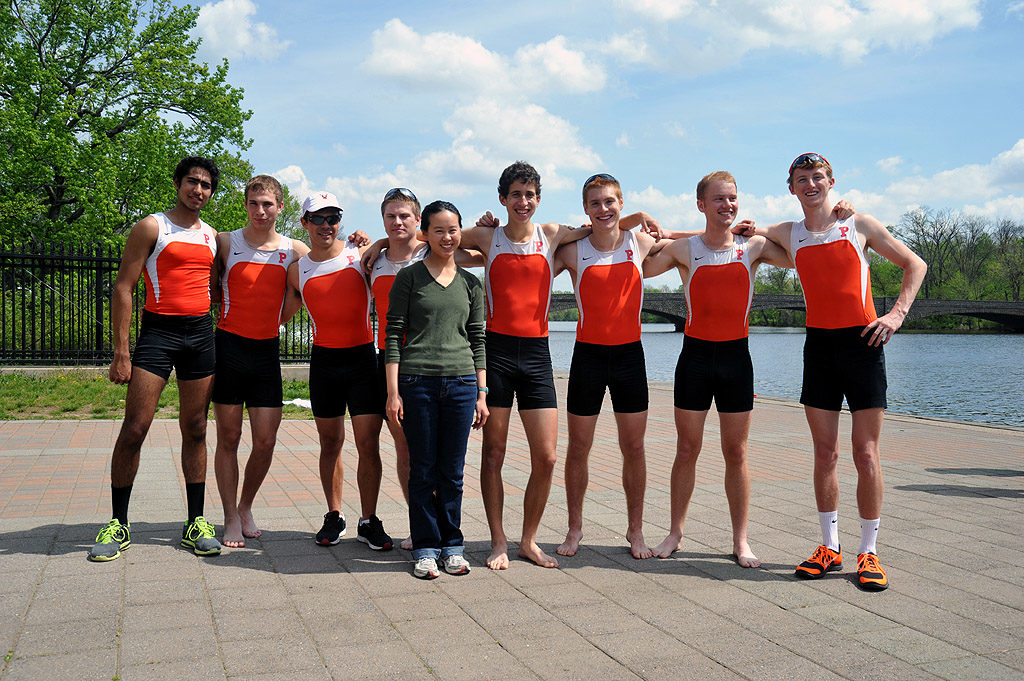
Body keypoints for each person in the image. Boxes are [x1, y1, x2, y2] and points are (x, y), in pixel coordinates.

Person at [754, 153, 926, 590]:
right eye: (801, 179)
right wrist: (662, 233)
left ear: (831, 181)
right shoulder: (788, 233)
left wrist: (896, 315)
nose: (810, 184)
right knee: (825, 453)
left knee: (865, 454)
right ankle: (829, 546)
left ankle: (868, 552)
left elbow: (915, 264)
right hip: (820, 348)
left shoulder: (859, 224)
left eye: (817, 177)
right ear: (790, 187)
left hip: (863, 343)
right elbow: (725, 233)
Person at [643, 171, 798, 567]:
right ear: (702, 204)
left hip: (736, 360)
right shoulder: (685, 251)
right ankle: (675, 532)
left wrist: (761, 229)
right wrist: (668, 231)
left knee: (736, 451)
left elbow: (801, 256)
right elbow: (640, 264)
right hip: (694, 359)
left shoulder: (754, 246)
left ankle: (740, 540)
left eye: (732, 199)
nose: (727, 206)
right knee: (686, 449)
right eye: (718, 200)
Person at [89, 156, 223, 561]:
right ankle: (118, 523)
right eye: (191, 182)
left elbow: (218, 284)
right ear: (178, 183)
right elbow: (123, 287)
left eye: (205, 185)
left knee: (196, 427)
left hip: (200, 334)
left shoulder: (212, 235)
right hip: (158, 335)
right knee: (135, 427)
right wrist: (121, 352)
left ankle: (195, 522)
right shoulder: (153, 226)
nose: (198, 190)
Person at [553, 173, 660, 560]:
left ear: (621, 203)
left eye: (610, 201)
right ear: (585, 209)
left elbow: (689, 240)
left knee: (634, 446)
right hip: (588, 357)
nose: (604, 209)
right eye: (595, 203)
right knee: (579, 446)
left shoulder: (641, 242)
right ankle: (575, 527)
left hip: (630, 356)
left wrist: (641, 217)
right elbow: (533, 244)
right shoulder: (572, 251)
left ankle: (635, 530)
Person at [385, 200, 488, 579]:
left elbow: (477, 339)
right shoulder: (409, 279)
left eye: (454, 230)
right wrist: (393, 393)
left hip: (462, 385)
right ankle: (426, 548)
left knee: (453, 472)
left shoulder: (470, 283)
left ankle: (453, 546)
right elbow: (394, 334)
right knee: (422, 470)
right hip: (418, 383)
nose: (448, 237)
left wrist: (481, 393)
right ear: (424, 234)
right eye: (439, 230)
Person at [286, 192, 392, 549]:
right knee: (330, 443)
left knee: (368, 444)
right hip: (325, 365)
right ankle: (334, 515)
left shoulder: (360, 256)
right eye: (318, 218)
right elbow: (278, 312)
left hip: (362, 361)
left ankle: (368, 519)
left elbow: (403, 244)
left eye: (333, 218)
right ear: (305, 223)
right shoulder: (297, 271)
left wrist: (373, 239)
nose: (326, 225)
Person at [211, 174, 308, 548]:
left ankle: (246, 505)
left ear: (280, 207)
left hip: (266, 351)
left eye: (268, 204)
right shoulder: (224, 242)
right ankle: (230, 517)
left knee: (265, 441)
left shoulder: (293, 249)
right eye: (254, 203)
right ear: (246, 205)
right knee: (229, 437)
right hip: (230, 348)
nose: (260, 211)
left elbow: (325, 266)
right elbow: (210, 283)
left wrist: (369, 242)